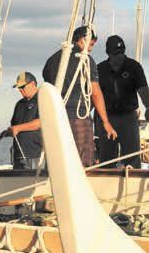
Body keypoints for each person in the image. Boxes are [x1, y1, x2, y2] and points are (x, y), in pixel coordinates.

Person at [42, 25, 116, 167]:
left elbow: (49, 84)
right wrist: (106, 122)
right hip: (78, 118)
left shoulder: (52, 60)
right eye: (91, 44)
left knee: (58, 163)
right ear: (82, 40)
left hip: (57, 118)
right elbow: (95, 92)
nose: (90, 49)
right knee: (83, 164)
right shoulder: (86, 60)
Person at [96, 35, 149, 168]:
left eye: (122, 52)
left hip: (128, 117)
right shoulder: (100, 69)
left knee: (132, 157)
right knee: (106, 158)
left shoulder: (134, 67)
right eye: (116, 53)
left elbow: (143, 90)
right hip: (107, 117)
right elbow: (94, 95)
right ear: (109, 53)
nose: (120, 56)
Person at [3, 72, 43, 169]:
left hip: (35, 154)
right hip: (18, 154)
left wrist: (18, 128)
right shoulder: (19, 104)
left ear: (33, 84)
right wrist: (9, 131)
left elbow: (41, 122)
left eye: (23, 87)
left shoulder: (42, 99)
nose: (20, 90)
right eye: (18, 88)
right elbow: (14, 125)